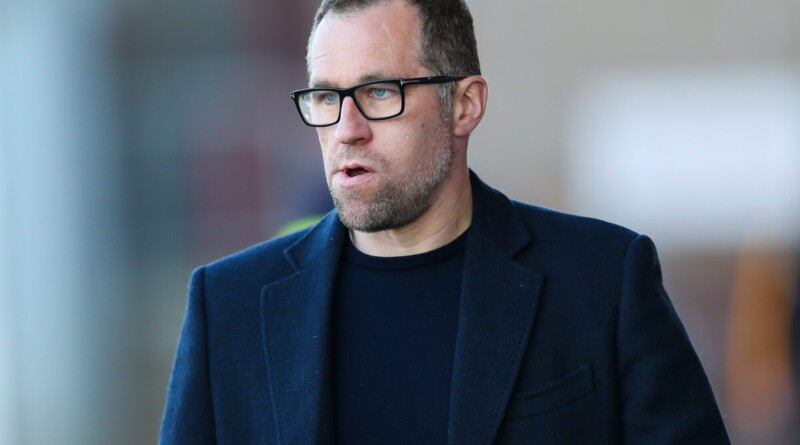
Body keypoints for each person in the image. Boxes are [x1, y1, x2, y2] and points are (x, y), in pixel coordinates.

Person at [159, 0, 730, 443]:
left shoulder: (602, 282)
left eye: (378, 92)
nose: (346, 129)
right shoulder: (228, 307)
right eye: (327, 98)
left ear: (464, 105)